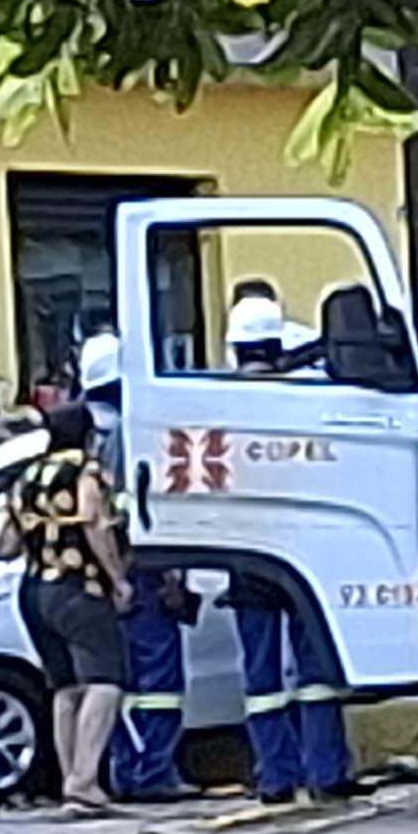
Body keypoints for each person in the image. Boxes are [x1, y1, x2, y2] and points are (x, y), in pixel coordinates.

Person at [222, 284, 354, 801]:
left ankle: (276, 776)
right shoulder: (305, 396)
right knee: (316, 669)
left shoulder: (218, 402)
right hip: (303, 552)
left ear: (234, 349)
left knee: (261, 676)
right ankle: (326, 771)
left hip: (248, 553)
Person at [4, 401, 132, 808]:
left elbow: (5, 544)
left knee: (65, 687)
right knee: (105, 682)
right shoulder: (86, 470)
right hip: (80, 587)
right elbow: (95, 524)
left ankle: (69, 778)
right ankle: (85, 778)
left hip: (34, 589)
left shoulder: (26, 477)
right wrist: (117, 578)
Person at [112, 560, 200, 802]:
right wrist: (171, 579)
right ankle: (154, 775)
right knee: (162, 693)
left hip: (120, 593)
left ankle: (127, 773)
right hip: (146, 588)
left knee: (126, 691)